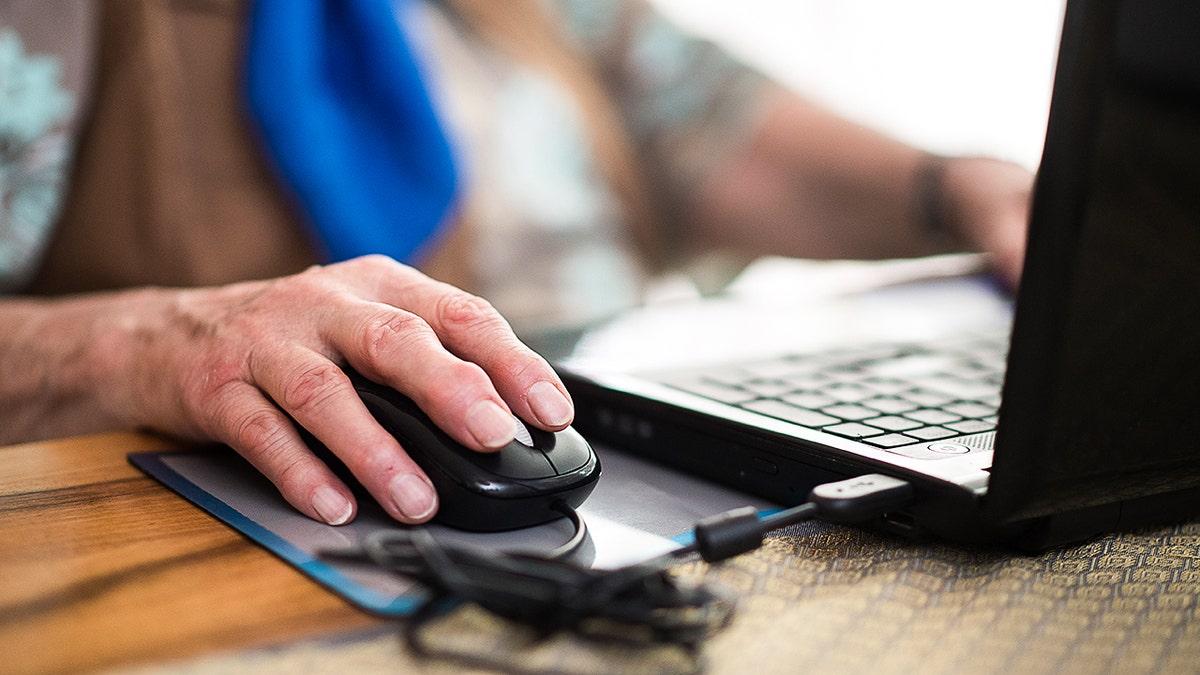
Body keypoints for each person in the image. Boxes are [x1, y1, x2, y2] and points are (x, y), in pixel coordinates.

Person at [0, 0, 1033, 527]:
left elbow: (720, 130)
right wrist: (147, 344)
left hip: (637, 465)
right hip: (287, 536)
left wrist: (955, 186)